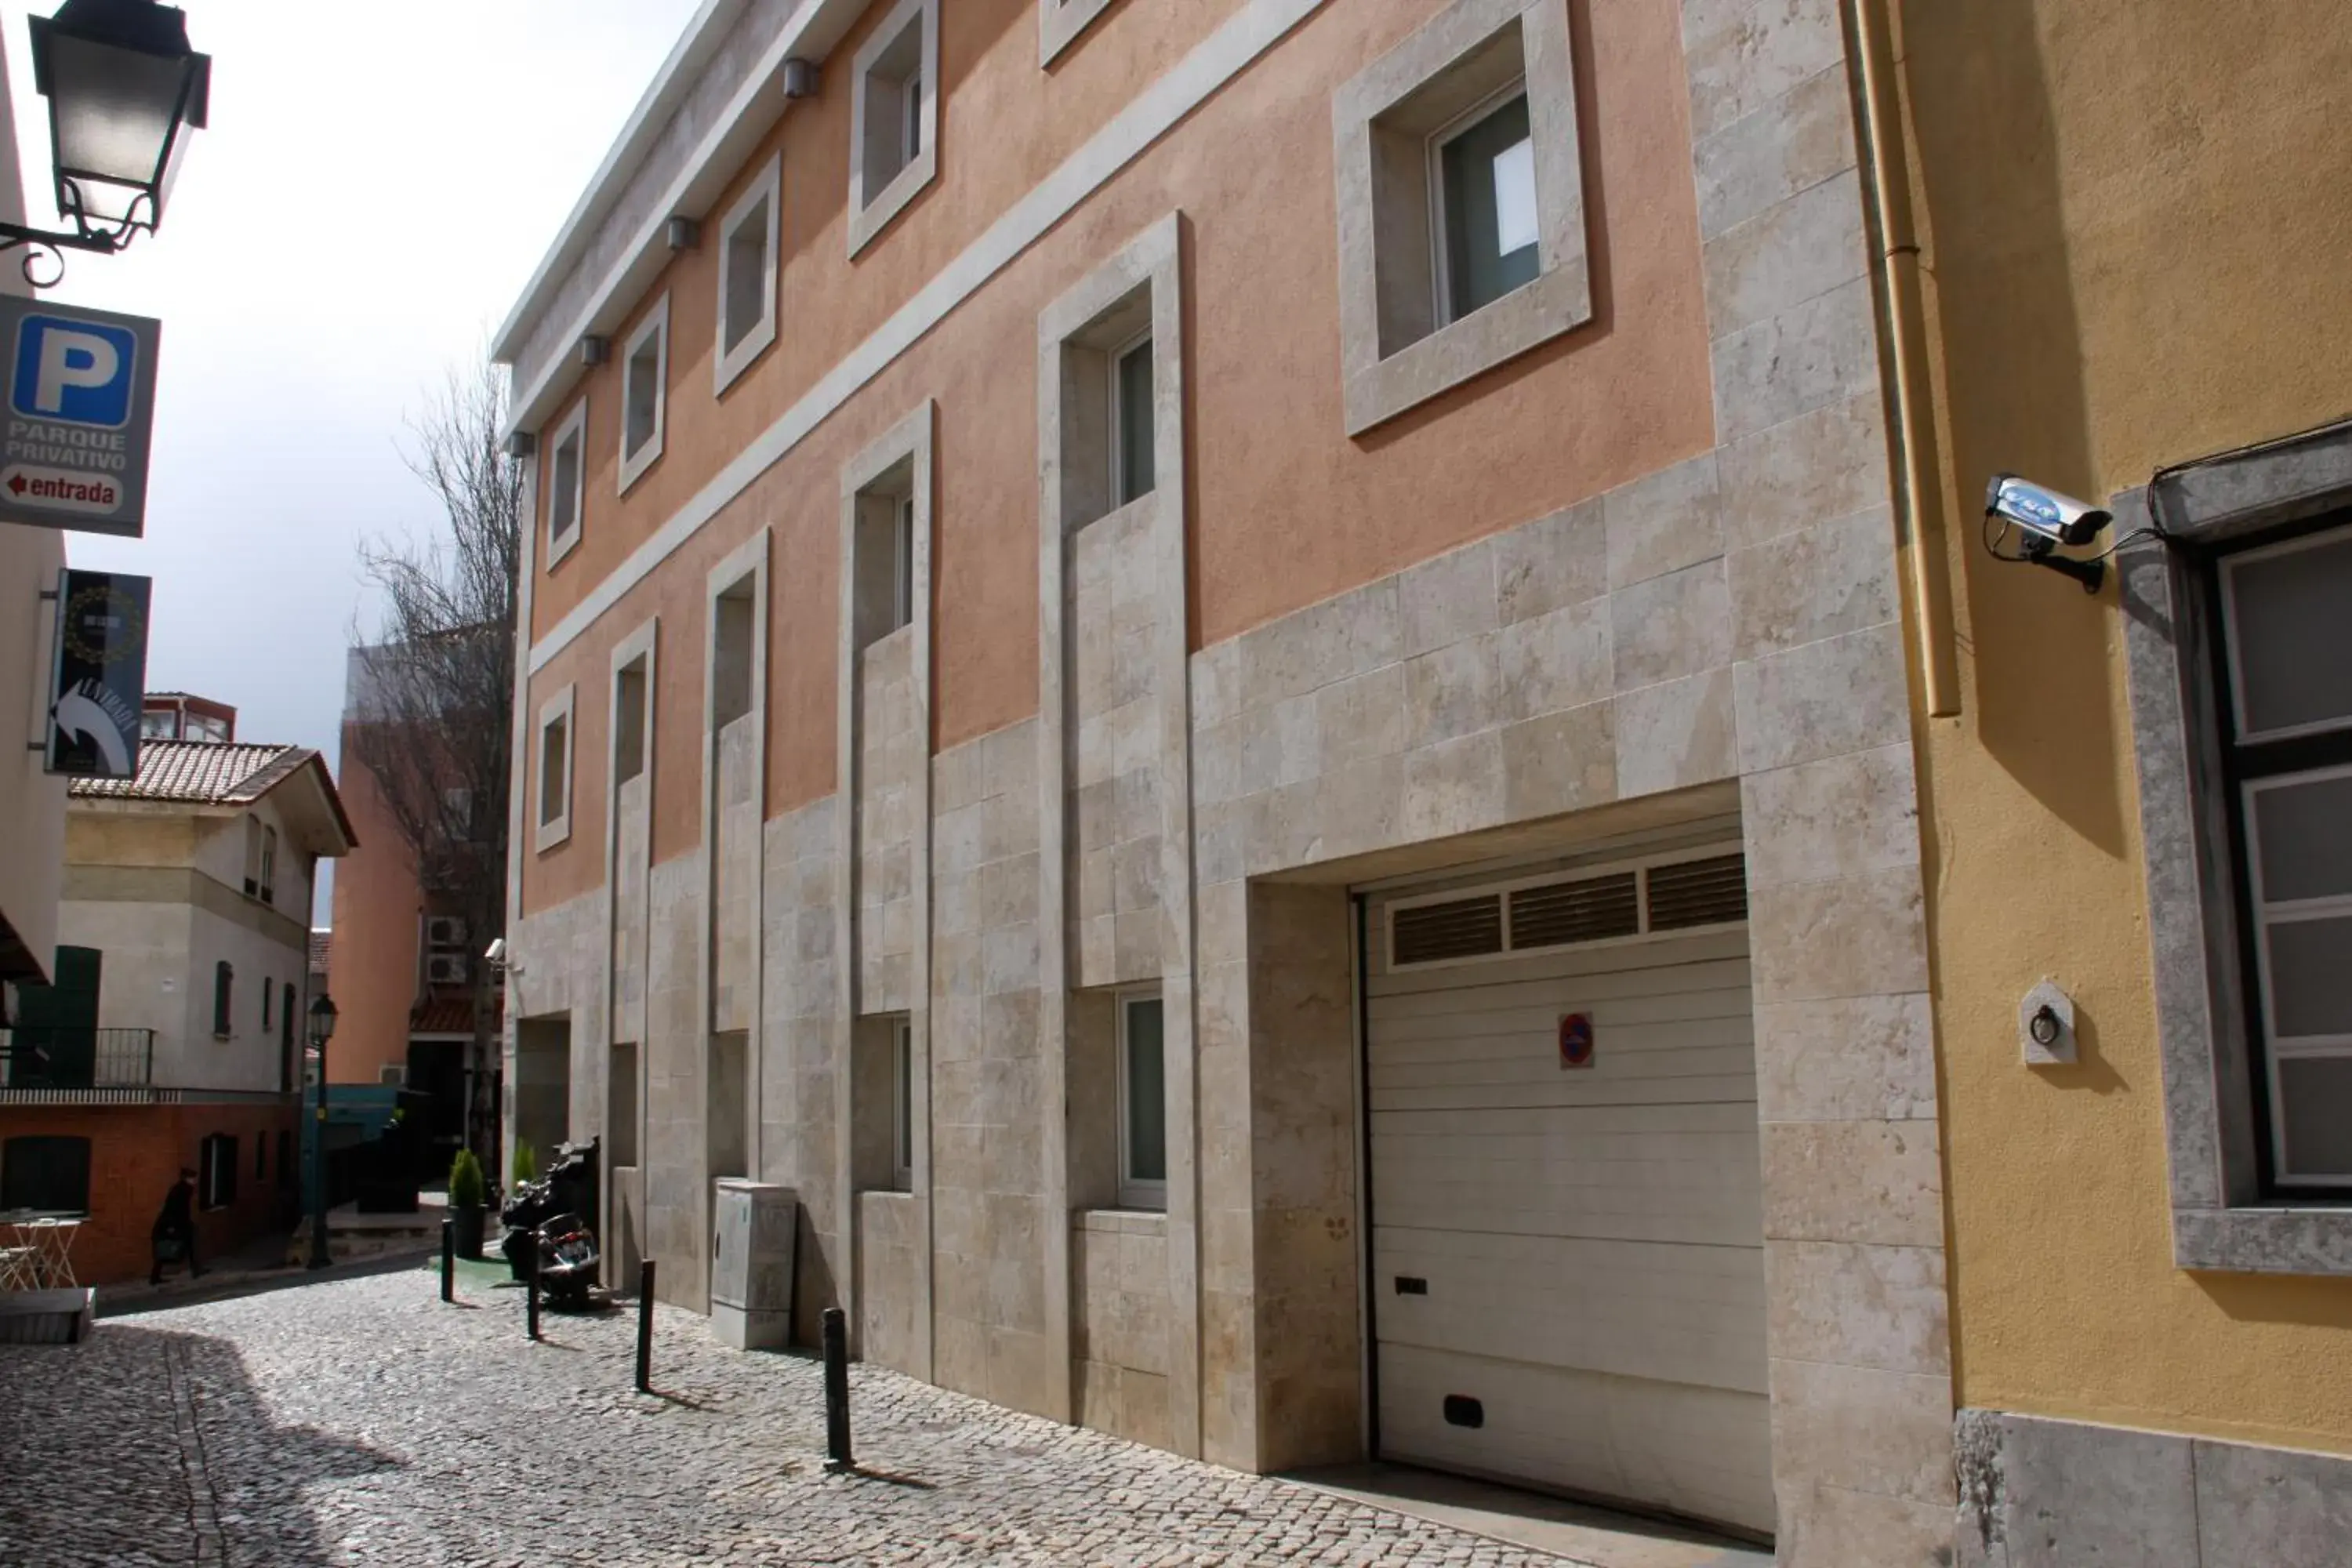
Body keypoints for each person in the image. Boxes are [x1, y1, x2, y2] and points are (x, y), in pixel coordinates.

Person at [150, 1167, 201, 1286]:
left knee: (185, 1244)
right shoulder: (184, 1190)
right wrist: (174, 1225)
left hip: (171, 1223)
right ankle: (195, 1269)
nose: (196, 1181)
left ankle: (195, 1269)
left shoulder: (180, 1189)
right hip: (172, 1223)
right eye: (194, 1178)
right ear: (188, 1178)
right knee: (167, 1248)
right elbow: (178, 1209)